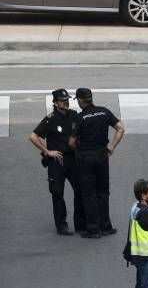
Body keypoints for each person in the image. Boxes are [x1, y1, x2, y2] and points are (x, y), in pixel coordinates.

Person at [70, 87, 125, 239]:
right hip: (102, 156)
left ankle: (93, 229)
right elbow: (121, 128)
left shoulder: (80, 118)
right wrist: (112, 146)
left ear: (81, 100)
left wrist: (79, 150)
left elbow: (71, 142)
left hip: (86, 157)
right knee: (103, 191)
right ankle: (106, 226)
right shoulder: (104, 111)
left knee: (89, 193)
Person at [29, 88, 84, 235]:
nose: (65, 103)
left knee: (80, 190)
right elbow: (33, 136)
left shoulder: (73, 115)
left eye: (66, 100)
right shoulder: (51, 119)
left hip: (72, 159)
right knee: (57, 193)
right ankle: (62, 225)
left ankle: (80, 224)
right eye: (62, 101)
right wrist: (47, 152)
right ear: (55, 103)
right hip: (57, 161)